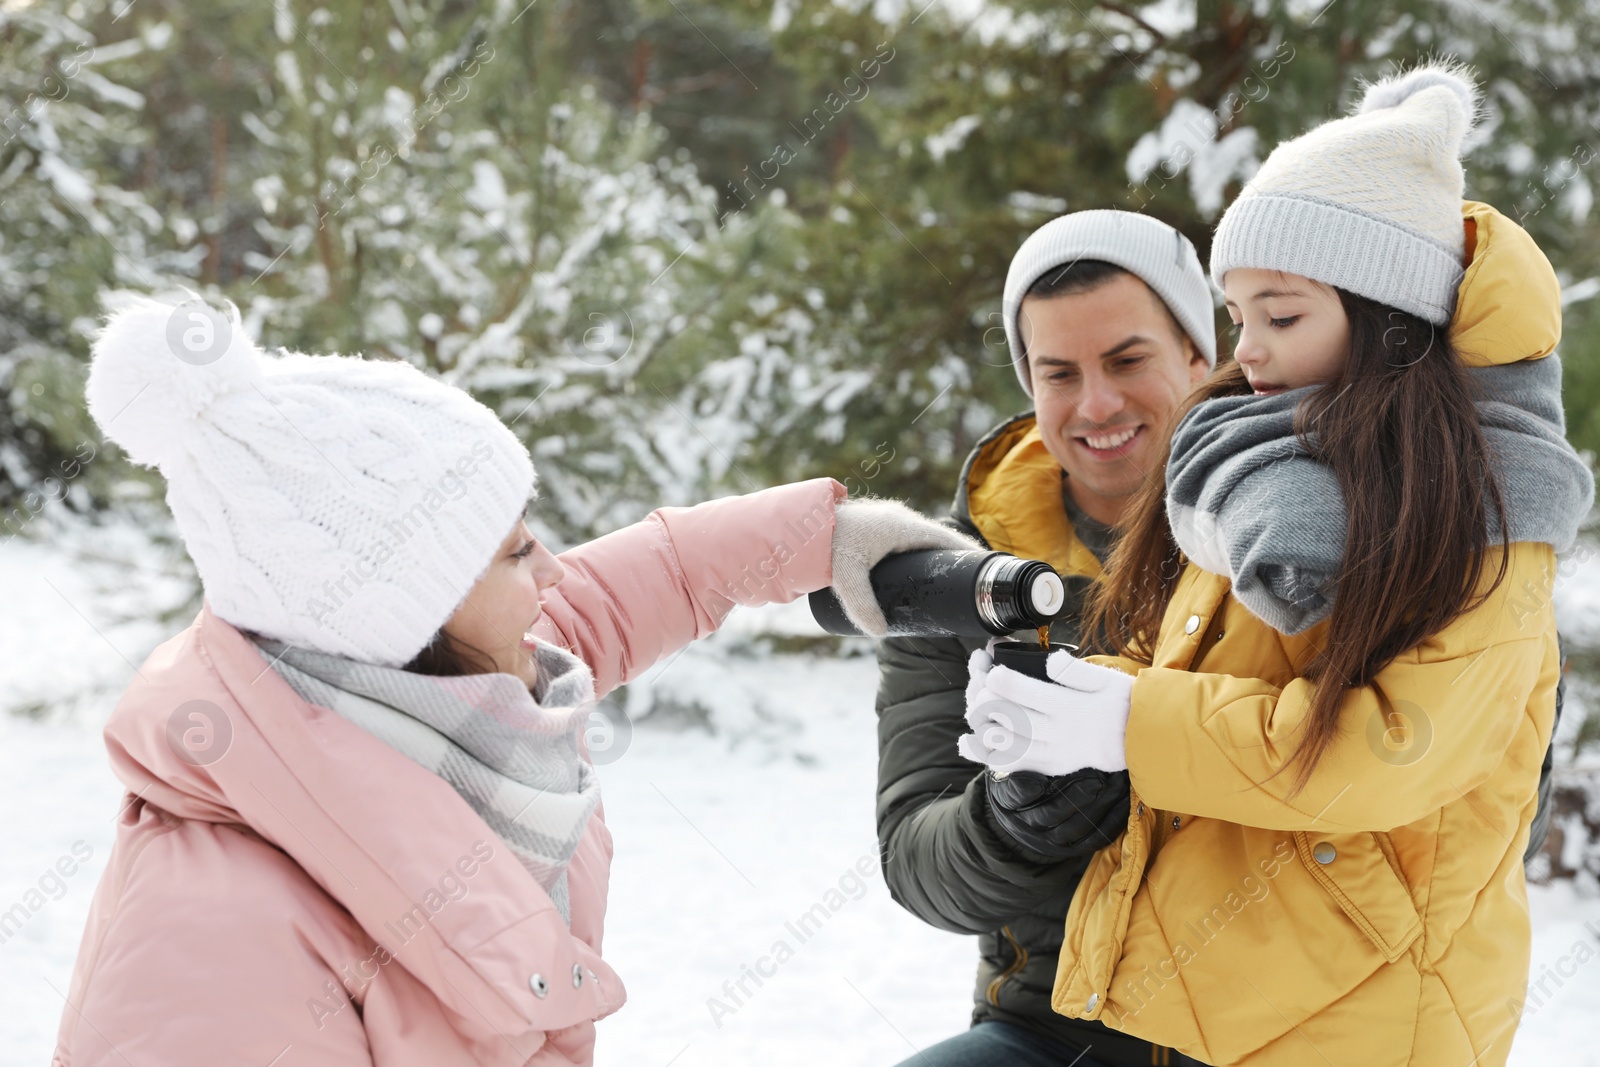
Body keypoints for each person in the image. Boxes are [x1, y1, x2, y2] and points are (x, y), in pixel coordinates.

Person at [52, 297, 969, 1066]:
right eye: (515, 551)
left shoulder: (409, 699)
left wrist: (822, 540)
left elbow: (642, 582)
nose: (555, 573)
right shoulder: (218, 927)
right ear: (403, 619)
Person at [959, 64, 1593, 1067]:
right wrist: (1077, 697)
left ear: (1388, 316)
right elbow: (1224, 687)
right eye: (1238, 312)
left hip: (1373, 1023)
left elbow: (1382, 756)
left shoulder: (1485, 523)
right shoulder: (1264, 471)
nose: (1244, 352)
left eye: (1281, 315)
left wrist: (1126, 721)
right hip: (1228, 1007)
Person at [874, 210, 1217, 1066]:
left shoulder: (1300, 534)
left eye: (1129, 360)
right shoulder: (957, 577)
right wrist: (1013, 826)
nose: (1096, 404)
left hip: (1288, 1033)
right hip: (1054, 1028)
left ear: (1201, 357)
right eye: (1059, 373)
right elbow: (913, 852)